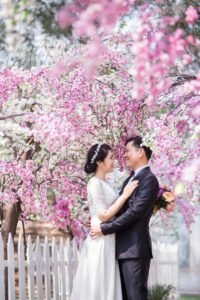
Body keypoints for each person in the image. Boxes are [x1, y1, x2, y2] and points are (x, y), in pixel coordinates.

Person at [91, 136, 159, 300]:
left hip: (134, 249)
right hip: (121, 248)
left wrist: (105, 228)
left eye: (128, 151)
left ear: (140, 152)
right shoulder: (131, 178)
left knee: (135, 296)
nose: (124, 155)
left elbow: (135, 212)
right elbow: (120, 209)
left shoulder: (149, 179)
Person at [70, 143, 138, 300]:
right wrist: (125, 195)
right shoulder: (94, 183)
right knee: (98, 282)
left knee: (108, 281)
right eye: (111, 158)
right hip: (100, 239)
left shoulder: (106, 182)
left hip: (108, 236)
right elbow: (103, 215)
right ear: (100, 162)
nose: (114, 161)